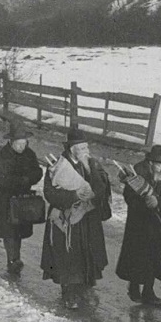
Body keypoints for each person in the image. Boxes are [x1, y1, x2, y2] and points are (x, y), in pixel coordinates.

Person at [40, 128, 112, 310]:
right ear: (72, 149)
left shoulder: (92, 164)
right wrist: (74, 195)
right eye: (81, 148)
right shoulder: (57, 165)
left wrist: (91, 173)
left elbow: (101, 189)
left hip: (88, 218)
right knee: (68, 255)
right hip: (67, 218)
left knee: (88, 253)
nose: (85, 151)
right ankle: (69, 291)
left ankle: (86, 287)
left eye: (86, 147)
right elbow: (49, 193)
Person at [116, 145, 161, 307]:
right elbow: (129, 197)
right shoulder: (138, 171)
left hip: (158, 221)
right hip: (139, 221)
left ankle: (149, 291)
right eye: (160, 165)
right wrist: (145, 204)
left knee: (154, 255)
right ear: (151, 162)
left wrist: (159, 202)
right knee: (138, 255)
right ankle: (134, 286)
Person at [0, 121, 43, 274]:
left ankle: (16, 258)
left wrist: (29, 179)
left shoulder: (29, 154)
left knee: (19, 230)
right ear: (11, 141)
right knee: (8, 231)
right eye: (19, 144)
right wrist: (21, 181)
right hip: (5, 199)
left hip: (23, 199)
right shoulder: (2, 156)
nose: (22, 147)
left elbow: (38, 172)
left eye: (24, 143)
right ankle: (12, 260)